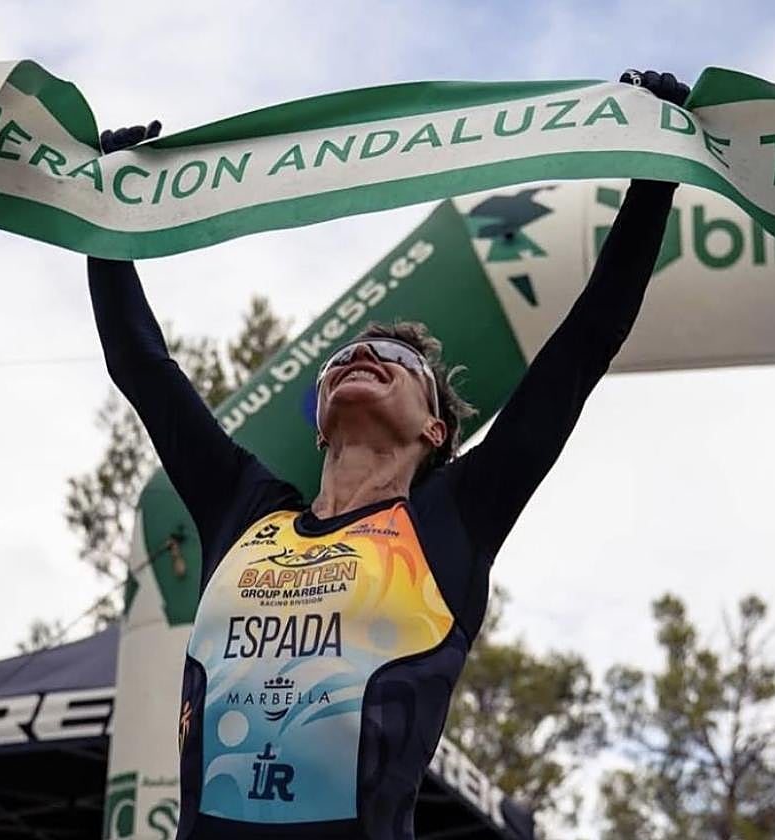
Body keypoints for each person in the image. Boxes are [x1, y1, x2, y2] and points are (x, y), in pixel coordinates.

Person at [89, 69, 691, 840]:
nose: (355, 358)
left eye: (388, 358)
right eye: (341, 356)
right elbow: (144, 370)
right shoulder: (243, 510)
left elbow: (585, 342)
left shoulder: (455, 522)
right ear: (320, 425)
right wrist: (104, 229)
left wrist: (654, 171)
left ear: (435, 430)